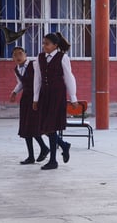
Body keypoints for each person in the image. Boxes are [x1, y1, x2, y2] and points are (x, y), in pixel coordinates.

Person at [33, 32, 78, 170]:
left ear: (55, 45)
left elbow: (69, 78)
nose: (44, 46)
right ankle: (64, 145)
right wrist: (35, 98)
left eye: (47, 44)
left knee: (51, 127)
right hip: (44, 95)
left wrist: (73, 97)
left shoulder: (63, 58)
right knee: (43, 127)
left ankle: (53, 160)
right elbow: (38, 79)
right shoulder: (40, 58)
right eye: (43, 43)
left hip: (57, 95)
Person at [10, 47, 50, 165]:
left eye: (20, 54)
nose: (18, 57)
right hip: (26, 99)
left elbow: (41, 80)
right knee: (26, 127)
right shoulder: (16, 69)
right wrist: (14, 92)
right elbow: (21, 83)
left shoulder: (34, 65)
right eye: (15, 55)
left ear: (26, 55)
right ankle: (31, 156)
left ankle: (44, 147)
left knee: (34, 126)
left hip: (36, 98)